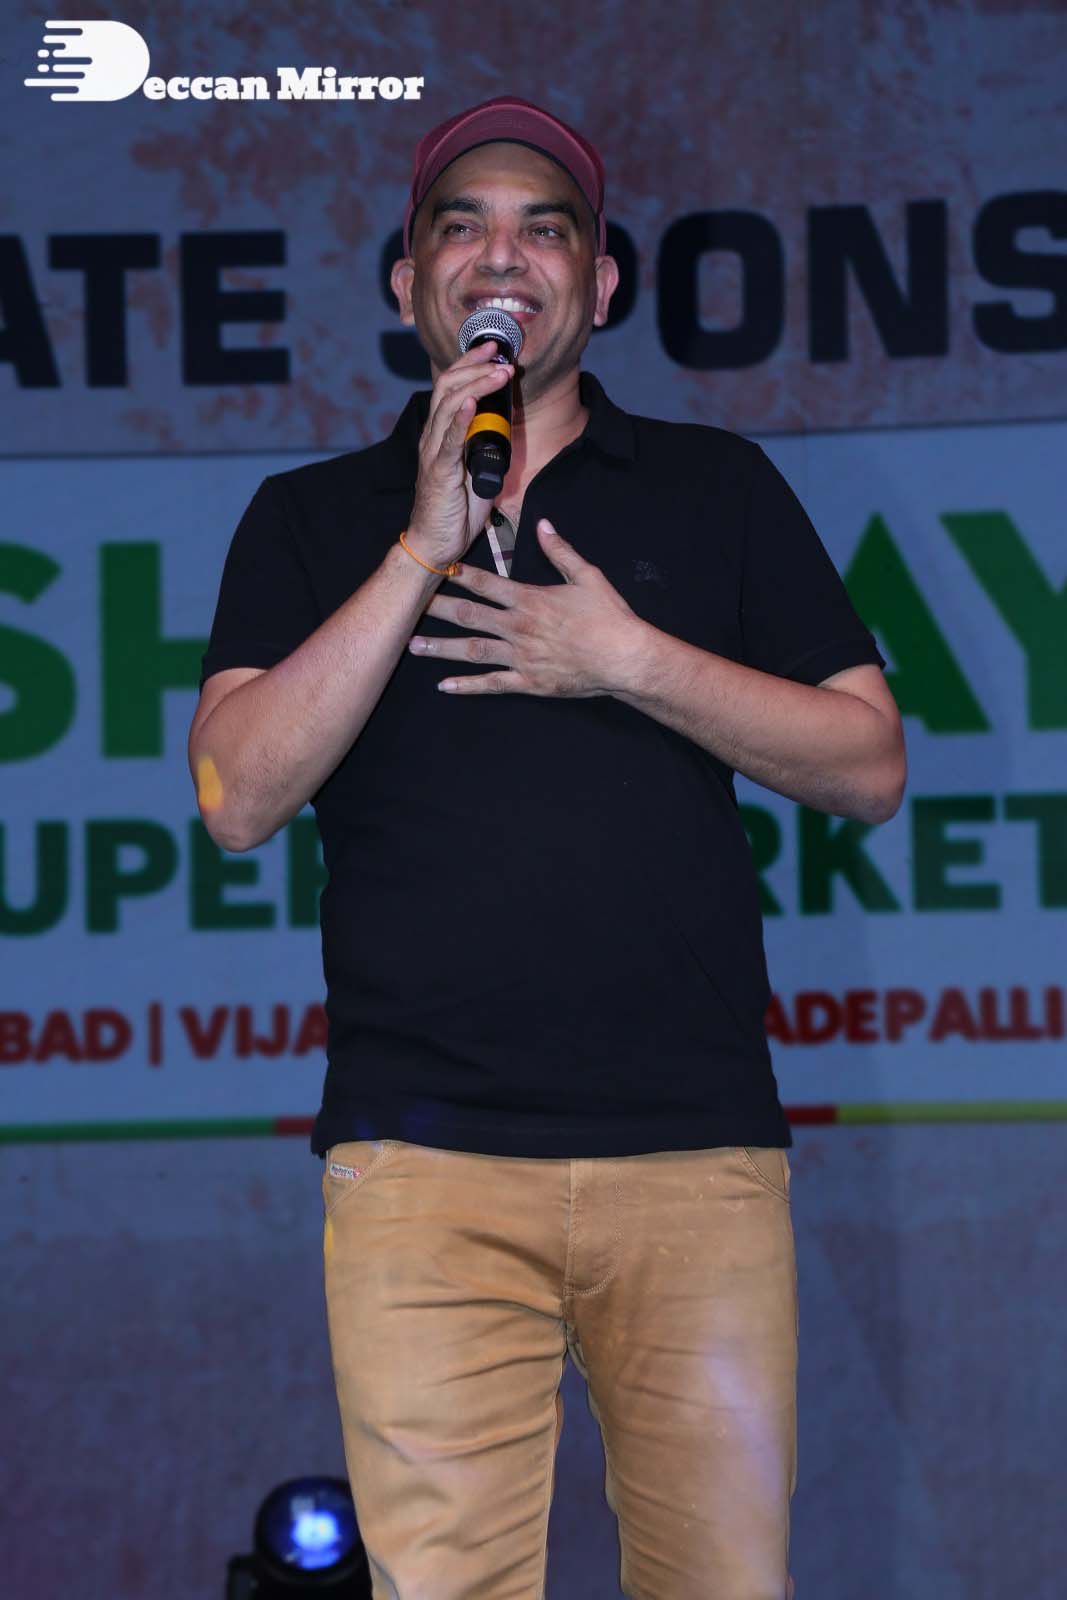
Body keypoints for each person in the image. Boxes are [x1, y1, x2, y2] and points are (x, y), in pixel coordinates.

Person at [190, 95, 905, 1600]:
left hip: (692, 1157)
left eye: (545, 227)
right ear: (411, 283)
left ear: (603, 282)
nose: (502, 255)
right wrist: (420, 543)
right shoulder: (311, 518)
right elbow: (236, 794)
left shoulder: (716, 488)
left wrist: (628, 660)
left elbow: (868, 763)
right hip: (423, 1166)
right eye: (462, 225)